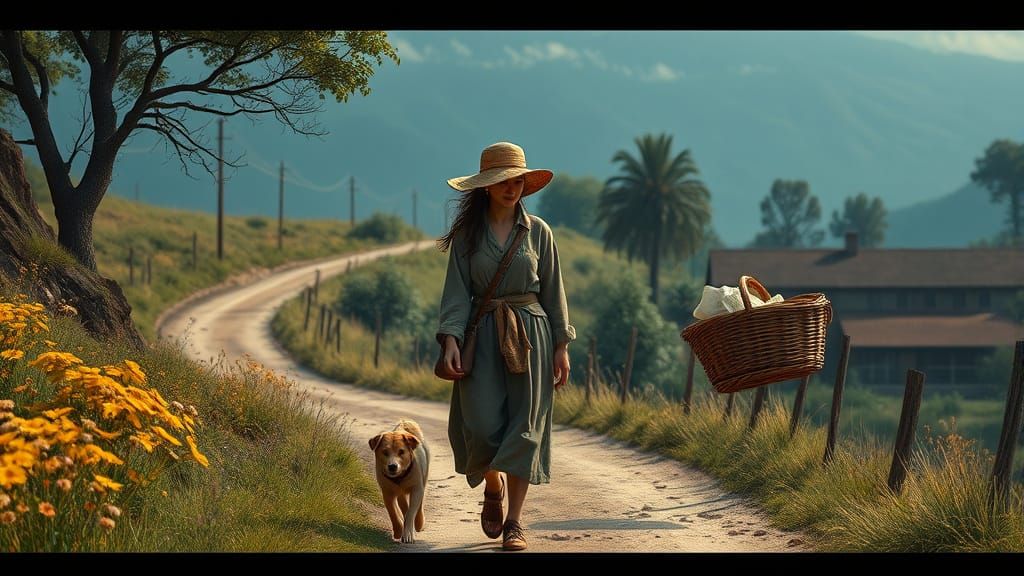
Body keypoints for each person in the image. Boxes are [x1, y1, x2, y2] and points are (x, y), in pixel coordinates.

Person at [436, 141, 575, 551]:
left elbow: (553, 291)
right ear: (485, 186)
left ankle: (515, 522)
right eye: (501, 181)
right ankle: (491, 485)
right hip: (481, 335)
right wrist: (450, 340)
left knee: (525, 428)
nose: (510, 187)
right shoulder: (466, 236)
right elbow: (456, 294)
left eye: (516, 180)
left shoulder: (540, 233)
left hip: (532, 334)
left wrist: (561, 346)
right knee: (480, 425)